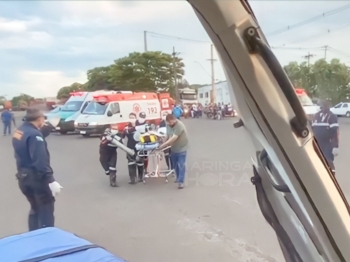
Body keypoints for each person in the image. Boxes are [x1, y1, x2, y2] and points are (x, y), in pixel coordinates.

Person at [12, 107, 62, 231]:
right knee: (45, 209)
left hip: (23, 178)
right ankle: (47, 239)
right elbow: (40, 161)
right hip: (36, 179)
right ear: (39, 119)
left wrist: (48, 127)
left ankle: (33, 236)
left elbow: (32, 138)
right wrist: (51, 180)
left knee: (35, 208)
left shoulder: (20, 131)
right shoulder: (34, 135)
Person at [158, 114, 189, 189]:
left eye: (172, 122)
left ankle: (181, 182)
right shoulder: (168, 125)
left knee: (181, 164)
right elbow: (168, 135)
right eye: (169, 123)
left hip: (182, 147)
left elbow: (173, 138)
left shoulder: (179, 125)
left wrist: (163, 145)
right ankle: (178, 178)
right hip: (173, 148)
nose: (171, 124)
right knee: (175, 164)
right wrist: (162, 142)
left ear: (175, 120)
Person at [312, 100, 339, 176]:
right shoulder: (316, 115)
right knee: (318, 159)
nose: (322, 108)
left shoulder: (332, 116)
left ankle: (332, 175)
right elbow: (312, 128)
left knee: (329, 160)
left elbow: (335, 132)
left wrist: (336, 146)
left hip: (328, 143)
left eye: (324, 106)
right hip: (317, 142)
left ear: (328, 107)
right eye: (321, 106)